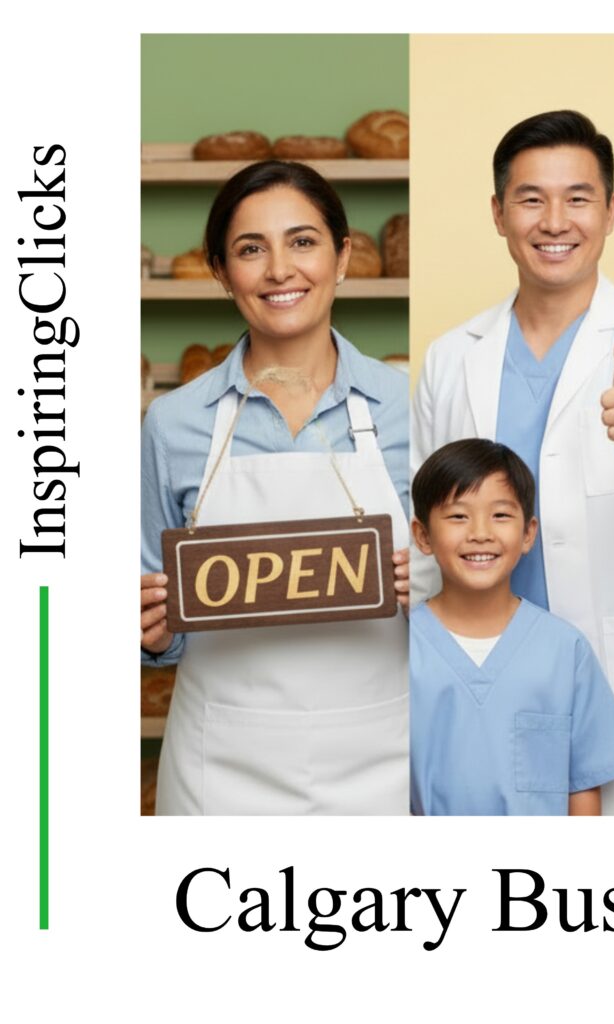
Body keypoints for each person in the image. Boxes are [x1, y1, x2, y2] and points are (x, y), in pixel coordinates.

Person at [412, 110, 614, 815]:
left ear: (611, 211)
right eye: (531, 199)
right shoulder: (451, 358)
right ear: (498, 213)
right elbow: (418, 528)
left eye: (578, 198)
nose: (555, 221)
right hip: (475, 672)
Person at [139, 161, 411, 815]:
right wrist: (151, 631)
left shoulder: (413, 409)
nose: (280, 270)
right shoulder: (172, 424)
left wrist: (434, 590)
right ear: (220, 271)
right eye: (250, 249)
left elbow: (475, 589)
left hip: (383, 761)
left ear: (342, 257)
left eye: (303, 242)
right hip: (219, 770)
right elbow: (148, 612)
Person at [409, 439, 614, 815]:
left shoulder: (564, 650)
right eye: (458, 516)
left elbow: (582, 786)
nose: (480, 532)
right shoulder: (404, 650)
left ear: (529, 533)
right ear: (423, 536)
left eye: (500, 515)